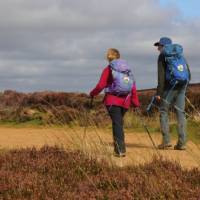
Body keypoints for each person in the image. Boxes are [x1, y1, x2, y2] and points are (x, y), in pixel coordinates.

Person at [90, 48, 140, 157]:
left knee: (117, 124)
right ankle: (120, 149)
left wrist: (93, 93)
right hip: (126, 102)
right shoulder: (127, 70)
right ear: (119, 56)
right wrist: (135, 103)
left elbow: (100, 85)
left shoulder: (108, 69)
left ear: (108, 57)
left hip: (112, 101)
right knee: (119, 123)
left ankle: (120, 150)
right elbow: (133, 87)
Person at [154, 37, 191, 150]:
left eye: (159, 46)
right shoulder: (179, 54)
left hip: (169, 87)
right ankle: (182, 143)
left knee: (163, 111)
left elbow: (161, 77)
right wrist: (185, 86)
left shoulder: (162, 56)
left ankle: (166, 141)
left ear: (163, 46)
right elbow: (188, 72)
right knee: (180, 113)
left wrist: (159, 93)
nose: (158, 48)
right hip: (182, 85)